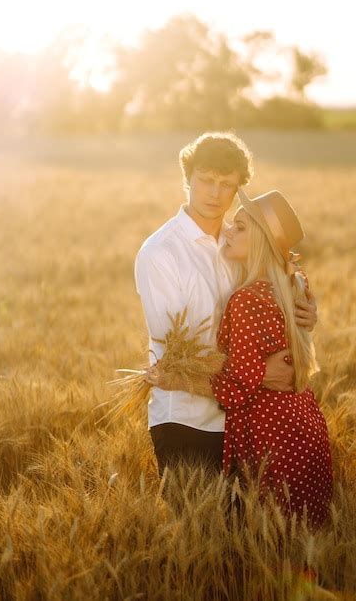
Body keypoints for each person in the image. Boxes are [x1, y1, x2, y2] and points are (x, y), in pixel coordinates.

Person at [135, 131, 318, 478]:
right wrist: (260, 373)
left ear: (238, 190)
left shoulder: (242, 246)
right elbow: (179, 352)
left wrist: (307, 315)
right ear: (187, 178)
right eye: (206, 181)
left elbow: (279, 301)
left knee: (240, 532)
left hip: (243, 422)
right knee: (198, 530)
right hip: (185, 420)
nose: (216, 194)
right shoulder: (161, 252)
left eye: (227, 185)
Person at [146, 187, 333, 528]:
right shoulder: (295, 282)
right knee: (299, 537)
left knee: (267, 539)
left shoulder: (247, 299)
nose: (229, 230)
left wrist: (171, 379)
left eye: (242, 227)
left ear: (261, 242)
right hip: (305, 425)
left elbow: (235, 389)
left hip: (270, 437)